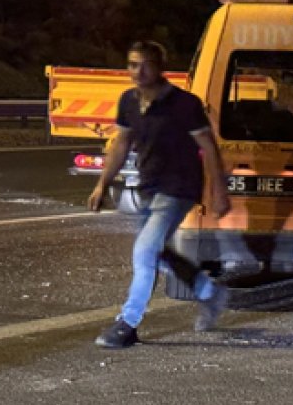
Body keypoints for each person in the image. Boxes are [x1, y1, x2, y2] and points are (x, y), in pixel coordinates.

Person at [88, 40, 232, 348]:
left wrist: (219, 191)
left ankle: (128, 323)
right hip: (149, 188)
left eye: (145, 64)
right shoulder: (128, 101)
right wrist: (102, 184)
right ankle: (209, 292)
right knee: (157, 254)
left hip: (178, 189)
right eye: (132, 64)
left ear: (160, 67)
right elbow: (121, 144)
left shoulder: (185, 104)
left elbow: (209, 147)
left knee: (142, 253)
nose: (138, 71)